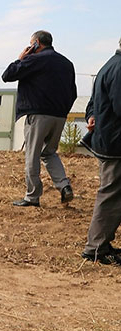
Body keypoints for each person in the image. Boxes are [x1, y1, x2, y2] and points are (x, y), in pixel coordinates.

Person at [2, 30, 76, 207]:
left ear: (36, 43)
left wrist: (21, 58)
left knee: (32, 155)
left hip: (38, 115)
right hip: (59, 116)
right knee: (49, 152)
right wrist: (63, 111)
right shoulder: (67, 63)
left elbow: (7, 75)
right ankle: (64, 186)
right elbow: (73, 92)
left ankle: (32, 197)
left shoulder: (34, 59)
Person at [80, 38, 121, 266]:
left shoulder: (110, 65)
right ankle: (95, 248)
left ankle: (101, 244)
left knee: (113, 195)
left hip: (109, 141)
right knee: (110, 195)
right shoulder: (119, 68)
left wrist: (92, 116)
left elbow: (94, 104)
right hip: (115, 144)